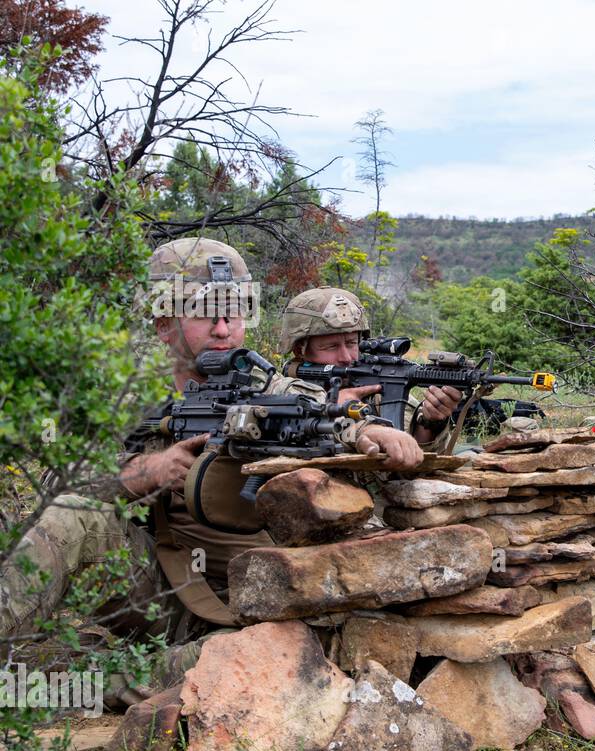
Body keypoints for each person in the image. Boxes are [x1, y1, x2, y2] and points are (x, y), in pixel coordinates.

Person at [0, 238, 423, 704]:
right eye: (206, 314)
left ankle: (92, 684)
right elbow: (53, 487)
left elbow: (322, 413)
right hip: (164, 592)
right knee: (70, 511)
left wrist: (370, 433)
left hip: (263, 603)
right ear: (164, 324)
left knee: (275, 653)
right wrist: (141, 474)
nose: (224, 330)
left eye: (234, 313)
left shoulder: (273, 386)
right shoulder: (124, 394)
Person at [277, 287, 461, 444]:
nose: (346, 357)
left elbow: (414, 451)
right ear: (299, 350)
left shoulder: (378, 389)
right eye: (331, 346)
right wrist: (331, 407)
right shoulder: (280, 394)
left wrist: (430, 424)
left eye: (351, 343)